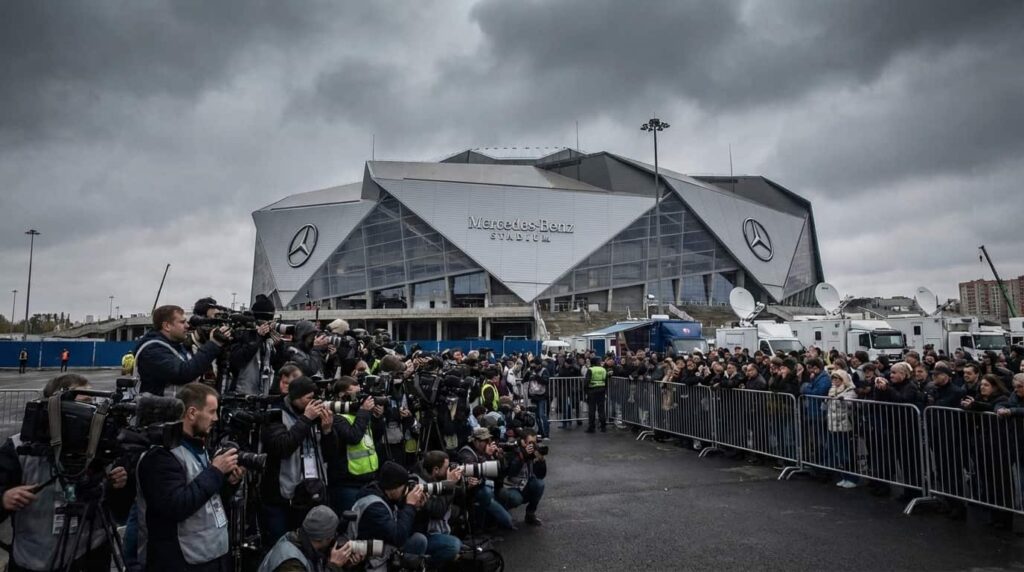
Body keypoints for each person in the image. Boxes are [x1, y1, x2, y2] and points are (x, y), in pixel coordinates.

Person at [0, 374, 130, 571]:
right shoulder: (18, 448)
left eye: (94, 403)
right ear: (57, 407)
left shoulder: (102, 447)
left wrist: (118, 487)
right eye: (86, 404)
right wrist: (4, 499)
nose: (94, 411)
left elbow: (121, 512)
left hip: (90, 556)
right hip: (35, 561)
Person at [136, 383, 245, 571]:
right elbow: (176, 506)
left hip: (211, 554)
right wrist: (215, 471)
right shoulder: (161, 456)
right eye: (212, 412)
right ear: (192, 413)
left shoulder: (199, 446)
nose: (216, 418)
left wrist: (229, 483)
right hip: (182, 561)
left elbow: (207, 499)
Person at [260, 376, 336, 545]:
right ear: (295, 397)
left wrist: (327, 431)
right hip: (282, 498)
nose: (313, 403)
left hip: (311, 493)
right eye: (308, 398)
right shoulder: (276, 414)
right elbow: (282, 447)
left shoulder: (314, 416)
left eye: (314, 398)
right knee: (281, 545)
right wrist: (306, 419)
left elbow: (331, 454)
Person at [134, 305, 230, 396]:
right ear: (167, 326)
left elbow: (194, 366)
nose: (187, 326)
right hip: (158, 410)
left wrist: (203, 342)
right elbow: (183, 373)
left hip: (176, 408)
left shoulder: (176, 345)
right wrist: (213, 344)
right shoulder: (152, 349)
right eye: (182, 322)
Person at [348, 462, 428, 572]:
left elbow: (405, 527)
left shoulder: (385, 495)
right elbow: (398, 537)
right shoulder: (374, 507)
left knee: (419, 540)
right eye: (403, 487)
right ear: (393, 487)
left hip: (383, 549)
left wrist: (415, 507)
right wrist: (409, 505)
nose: (405, 491)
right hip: (368, 560)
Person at [328, 376, 382, 515]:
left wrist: (376, 418)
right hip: (347, 483)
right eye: (355, 393)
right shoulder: (336, 416)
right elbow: (353, 437)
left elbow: (374, 439)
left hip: (368, 480)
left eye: (360, 393)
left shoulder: (359, 414)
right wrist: (364, 412)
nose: (359, 397)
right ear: (342, 395)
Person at [258, 506, 361, 572]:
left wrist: (346, 565)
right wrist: (334, 566)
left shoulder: (300, 542)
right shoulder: (291, 563)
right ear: (326, 538)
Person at [457, 428, 514, 530]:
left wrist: (497, 456)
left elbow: (502, 472)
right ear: (475, 441)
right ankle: (479, 527)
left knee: (503, 493)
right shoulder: (466, 452)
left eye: (489, 440)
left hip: (488, 485)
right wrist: (487, 456)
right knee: (487, 493)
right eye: (485, 441)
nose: (488, 443)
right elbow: (476, 472)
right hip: (473, 491)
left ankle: (491, 522)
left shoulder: (483, 450)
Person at [412, 451, 463, 565]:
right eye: (446, 468)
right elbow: (437, 511)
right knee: (454, 546)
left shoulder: (433, 477)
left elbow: (457, 498)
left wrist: (464, 484)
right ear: (435, 470)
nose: (448, 470)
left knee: (457, 512)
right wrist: (449, 483)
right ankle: (426, 563)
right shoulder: (419, 486)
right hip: (422, 534)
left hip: (433, 528)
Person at [228, 294, 278, 395]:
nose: (268, 325)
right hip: (242, 393)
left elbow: (278, 364)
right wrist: (257, 337)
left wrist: (280, 345)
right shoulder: (243, 334)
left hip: (264, 393)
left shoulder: (269, 339)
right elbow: (236, 361)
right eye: (266, 321)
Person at [498, 428, 546, 526]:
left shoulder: (534, 451)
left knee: (539, 484)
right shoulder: (513, 449)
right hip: (510, 487)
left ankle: (530, 514)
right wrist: (522, 457)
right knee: (516, 499)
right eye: (530, 443)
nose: (532, 446)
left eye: (534, 442)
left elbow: (541, 475)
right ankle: (501, 511)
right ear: (523, 441)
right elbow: (511, 472)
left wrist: (541, 461)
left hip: (524, 485)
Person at [523, 358, 550, 439]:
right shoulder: (530, 370)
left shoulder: (544, 370)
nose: (533, 367)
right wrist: (527, 374)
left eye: (535, 365)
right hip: (534, 396)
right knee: (537, 416)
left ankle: (546, 434)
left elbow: (546, 381)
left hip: (542, 396)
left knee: (542, 415)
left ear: (539, 364)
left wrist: (536, 377)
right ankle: (541, 432)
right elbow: (524, 380)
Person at [584, 357, 607, 433]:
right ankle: (603, 427)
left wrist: (586, 391)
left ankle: (591, 427)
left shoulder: (590, 370)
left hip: (592, 391)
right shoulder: (603, 369)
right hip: (602, 391)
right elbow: (605, 380)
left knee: (592, 410)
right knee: (601, 409)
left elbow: (586, 382)